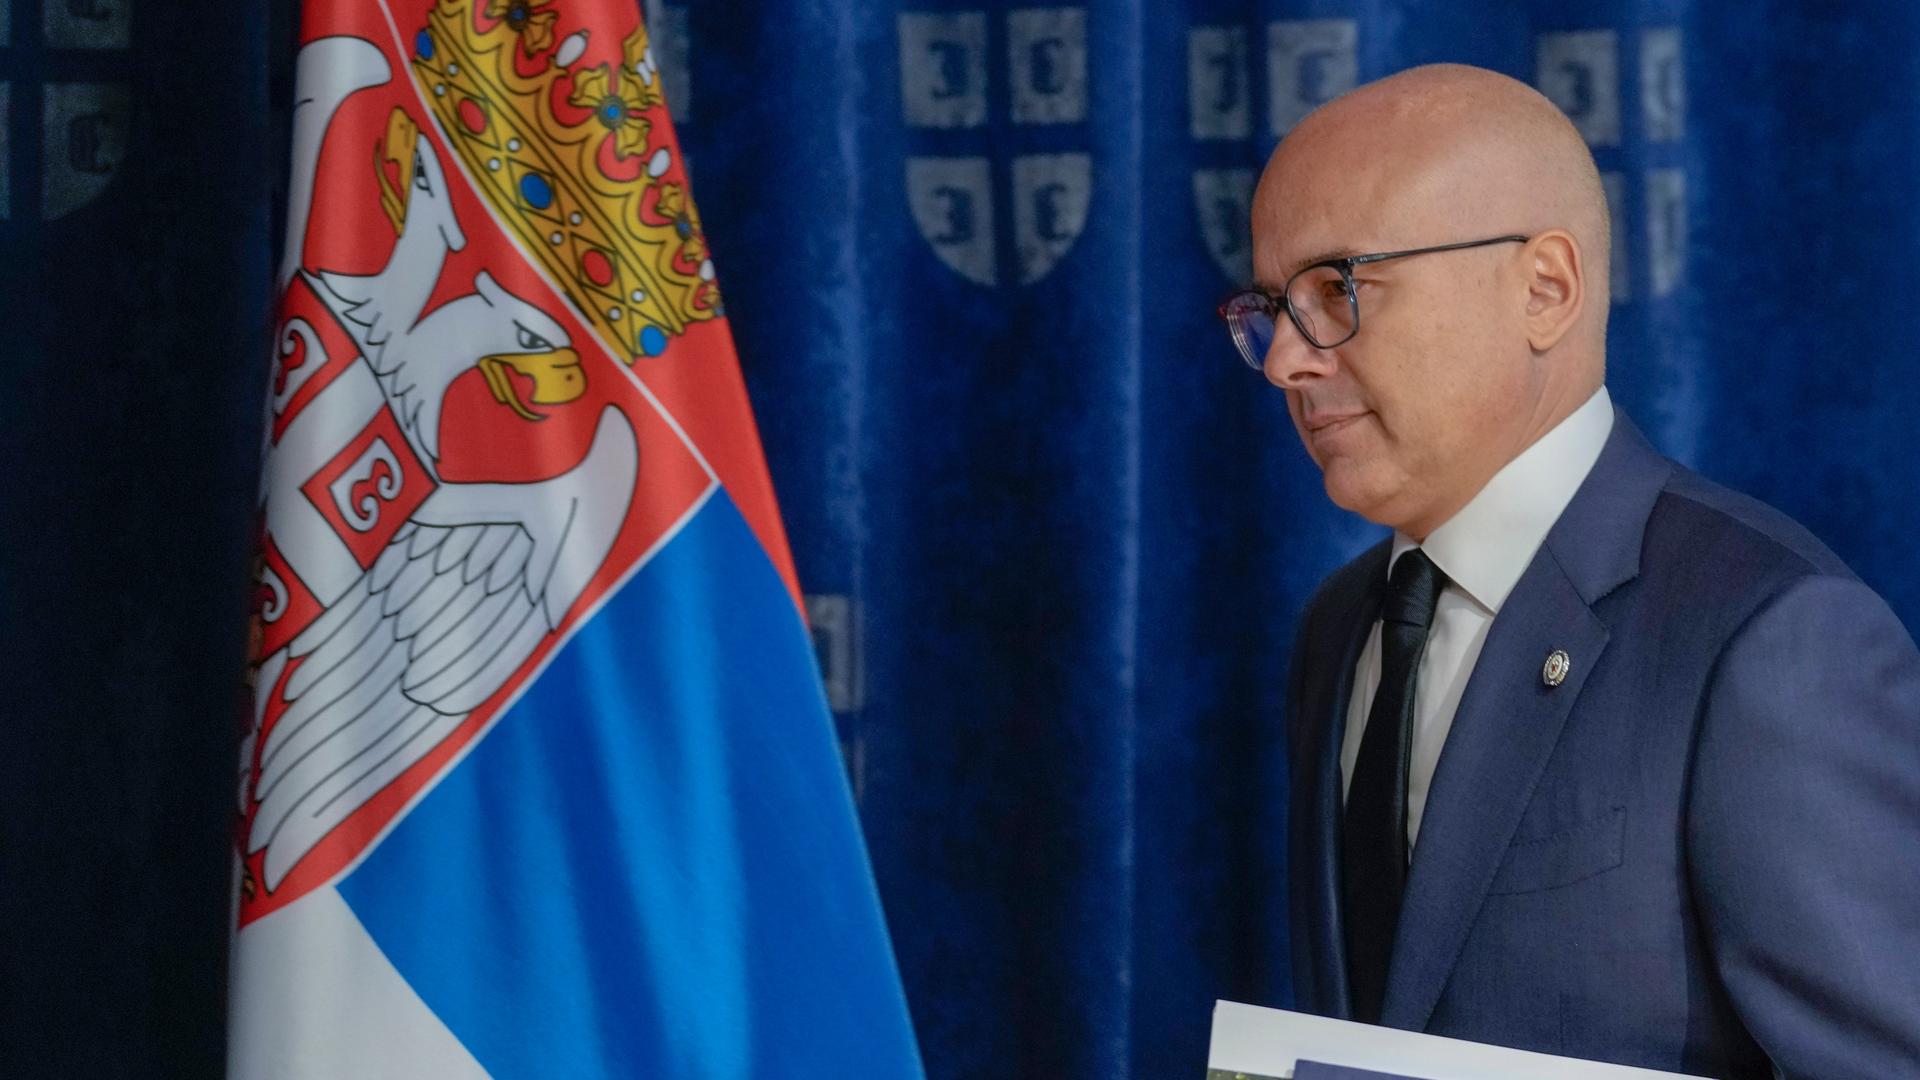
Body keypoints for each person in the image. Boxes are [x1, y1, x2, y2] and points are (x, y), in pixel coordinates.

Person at [1220, 64, 1920, 1077]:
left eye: (1338, 290)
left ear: (1544, 289)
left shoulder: (1771, 638)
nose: (1285, 358)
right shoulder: (1339, 630)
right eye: (1271, 307)